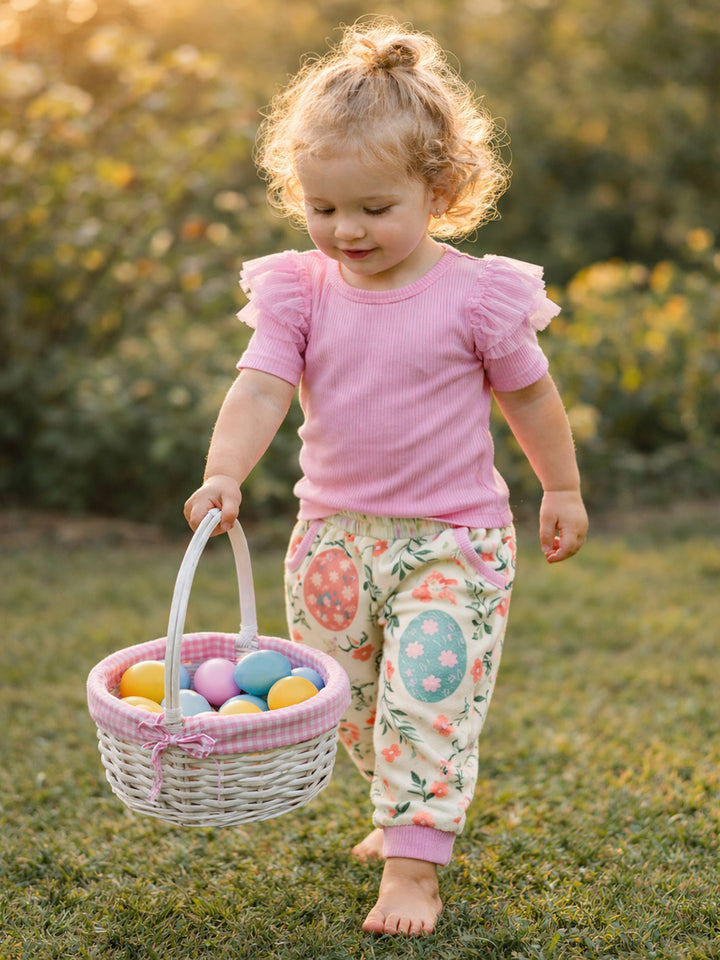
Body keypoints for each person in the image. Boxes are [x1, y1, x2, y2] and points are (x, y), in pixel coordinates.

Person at [184, 17, 588, 937]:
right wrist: (223, 470)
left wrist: (558, 489)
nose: (346, 229)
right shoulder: (300, 290)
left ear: (438, 191)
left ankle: (414, 863)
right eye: (325, 208)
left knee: (428, 691)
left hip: (454, 538)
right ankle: (395, 804)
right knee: (349, 702)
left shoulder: (479, 296)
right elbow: (259, 390)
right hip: (332, 537)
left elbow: (533, 400)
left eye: (373, 207)